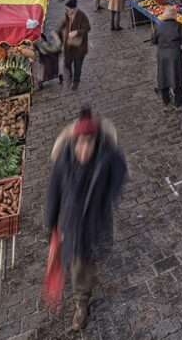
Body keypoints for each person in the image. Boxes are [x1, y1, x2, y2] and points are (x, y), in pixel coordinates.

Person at [45, 106, 127, 331]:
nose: (84, 149)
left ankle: (83, 296)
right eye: (80, 143)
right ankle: (81, 301)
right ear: (74, 142)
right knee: (77, 262)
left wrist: (108, 197)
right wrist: (51, 221)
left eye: (88, 143)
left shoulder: (107, 157)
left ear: (95, 142)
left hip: (94, 221)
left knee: (86, 259)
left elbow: (120, 173)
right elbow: (53, 192)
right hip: (71, 222)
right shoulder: (64, 160)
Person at [155, 7, 182, 111]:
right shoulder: (178, 26)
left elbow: (154, 40)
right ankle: (178, 101)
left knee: (163, 75)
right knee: (177, 76)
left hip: (162, 54)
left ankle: (165, 100)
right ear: (175, 16)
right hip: (174, 54)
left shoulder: (159, 26)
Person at [58, 0, 91, 89]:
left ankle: (76, 81)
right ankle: (70, 77)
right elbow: (65, 23)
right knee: (67, 64)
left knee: (77, 66)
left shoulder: (81, 15)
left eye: (67, 9)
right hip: (69, 46)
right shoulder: (67, 14)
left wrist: (76, 32)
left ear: (73, 9)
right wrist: (58, 30)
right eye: (66, 9)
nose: (66, 11)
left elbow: (87, 28)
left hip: (79, 47)